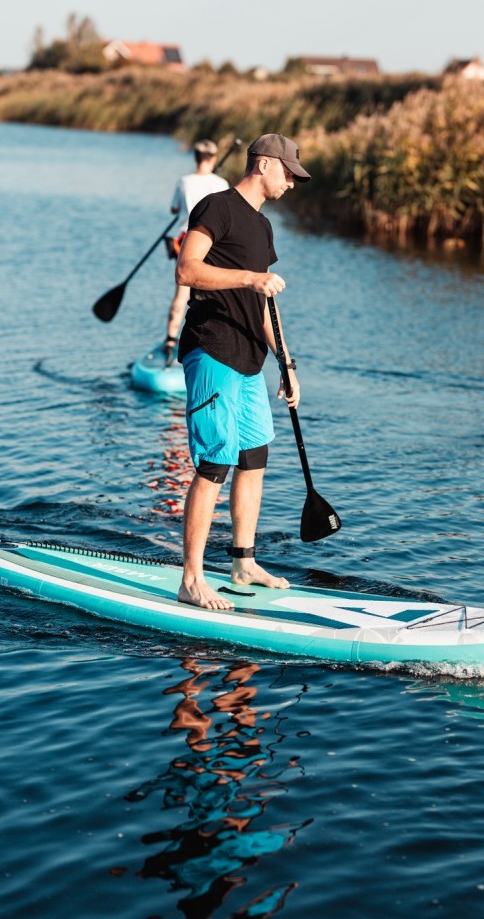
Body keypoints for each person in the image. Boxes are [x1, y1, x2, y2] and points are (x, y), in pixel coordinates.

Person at [174, 133, 310, 610]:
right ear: (265, 164)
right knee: (215, 463)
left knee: (254, 458)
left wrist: (286, 363)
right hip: (212, 350)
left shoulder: (263, 227)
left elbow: (265, 305)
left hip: (251, 359)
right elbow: (186, 270)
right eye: (288, 173)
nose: (290, 183)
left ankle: (243, 563)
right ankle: (191, 579)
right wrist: (250, 278)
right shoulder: (217, 207)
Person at [163, 140, 230, 362]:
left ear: (195, 157)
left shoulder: (183, 181)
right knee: (211, 291)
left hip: (183, 240)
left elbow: (174, 209)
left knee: (181, 293)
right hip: (211, 243)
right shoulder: (221, 183)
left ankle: (170, 340)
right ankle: (210, 342)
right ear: (213, 158)